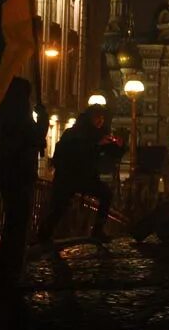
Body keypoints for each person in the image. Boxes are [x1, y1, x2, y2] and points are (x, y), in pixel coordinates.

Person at [0, 77, 47, 296]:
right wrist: (43, 120)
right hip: (21, 177)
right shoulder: (21, 120)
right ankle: (12, 272)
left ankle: (6, 270)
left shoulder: (1, 120)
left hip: (6, 177)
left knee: (12, 223)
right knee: (18, 225)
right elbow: (35, 137)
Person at [36, 104, 122, 245]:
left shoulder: (95, 134)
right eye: (97, 117)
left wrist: (117, 146)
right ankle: (44, 234)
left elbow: (106, 155)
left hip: (82, 176)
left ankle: (97, 230)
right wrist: (97, 145)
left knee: (104, 194)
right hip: (69, 176)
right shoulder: (76, 133)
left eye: (102, 118)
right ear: (90, 118)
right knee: (59, 206)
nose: (100, 121)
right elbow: (79, 152)